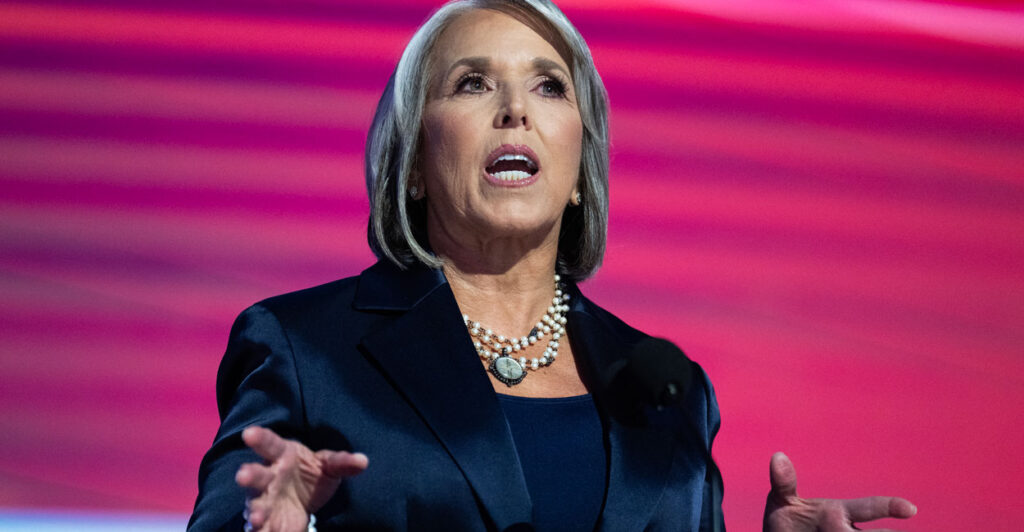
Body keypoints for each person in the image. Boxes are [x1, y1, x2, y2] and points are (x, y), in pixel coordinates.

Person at [187, 1, 918, 531]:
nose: (515, 110)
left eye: (548, 86)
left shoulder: (673, 389)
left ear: (577, 174)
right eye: (472, 83)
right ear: (412, 163)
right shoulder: (306, 347)